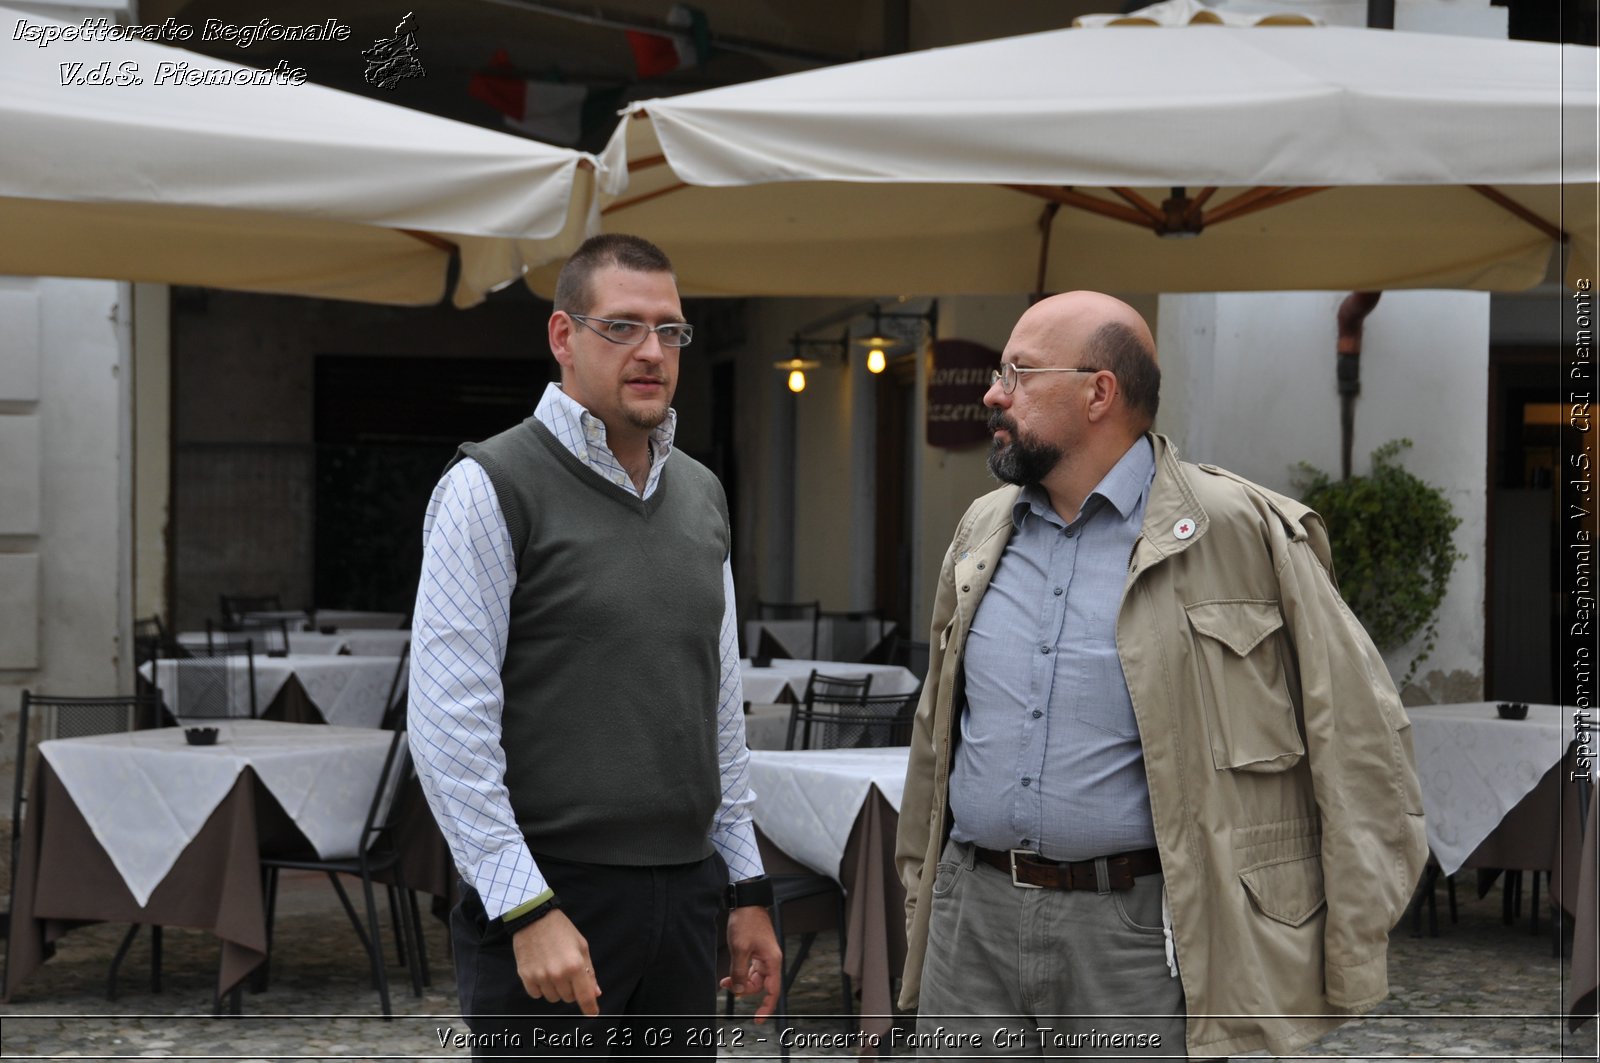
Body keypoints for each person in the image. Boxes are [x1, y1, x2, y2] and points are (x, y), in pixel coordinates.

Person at [895, 291, 1428, 1059]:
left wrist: (1335, 936)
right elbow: (934, 733)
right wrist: (925, 892)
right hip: (971, 921)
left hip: (1138, 933)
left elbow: (1363, 741)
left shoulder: (1240, 530)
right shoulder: (981, 529)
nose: (993, 392)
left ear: (1099, 392)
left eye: (1016, 372)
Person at [410, 234, 782, 1059]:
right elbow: (446, 727)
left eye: (671, 330)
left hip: (686, 899)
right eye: (622, 327)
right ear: (563, 337)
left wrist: (746, 884)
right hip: (552, 897)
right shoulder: (491, 485)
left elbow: (717, 710)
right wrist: (525, 908)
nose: (652, 351)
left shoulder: (702, 494)